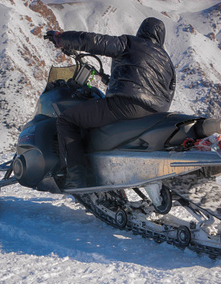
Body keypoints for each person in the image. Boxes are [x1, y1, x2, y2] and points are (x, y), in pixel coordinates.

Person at [46, 17, 176, 189]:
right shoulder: (167, 61)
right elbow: (168, 91)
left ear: (141, 31)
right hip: (156, 115)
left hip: (126, 105)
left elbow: (94, 41)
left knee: (67, 119)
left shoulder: (131, 43)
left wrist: (62, 38)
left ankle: (76, 176)